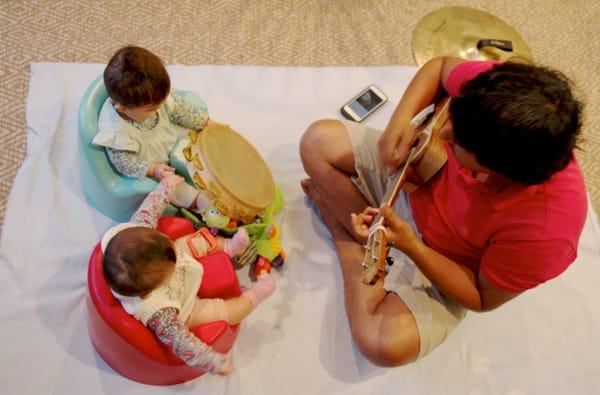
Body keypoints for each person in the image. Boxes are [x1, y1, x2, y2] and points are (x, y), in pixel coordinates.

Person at [299, 56, 586, 366]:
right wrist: (398, 125)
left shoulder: (546, 234)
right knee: (317, 142)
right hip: (413, 175)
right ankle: (369, 238)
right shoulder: (500, 97)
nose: (444, 133)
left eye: (458, 142)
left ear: (494, 173)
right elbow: (440, 68)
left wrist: (411, 245)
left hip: (445, 264)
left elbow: (481, 297)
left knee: (382, 344)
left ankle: (347, 241)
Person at [101, 174, 276, 374]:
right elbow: (183, 344)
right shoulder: (161, 314)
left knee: (194, 241)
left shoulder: (135, 234)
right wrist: (213, 362)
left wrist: (166, 186)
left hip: (172, 262)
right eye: (169, 266)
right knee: (225, 312)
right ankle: (255, 295)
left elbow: (151, 207)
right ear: (153, 288)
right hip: (186, 306)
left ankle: (228, 247)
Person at [92, 45, 210, 209]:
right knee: (170, 186)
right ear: (122, 108)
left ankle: (214, 178)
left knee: (201, 153)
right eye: (152, 109)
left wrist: (205, 122)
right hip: (153, 162)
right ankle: (199, 202)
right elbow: (125, 163)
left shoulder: (153, 99)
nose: (159, 108)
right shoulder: (116, 131)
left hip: (172, 139)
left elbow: (178, 109)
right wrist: (152, 169)